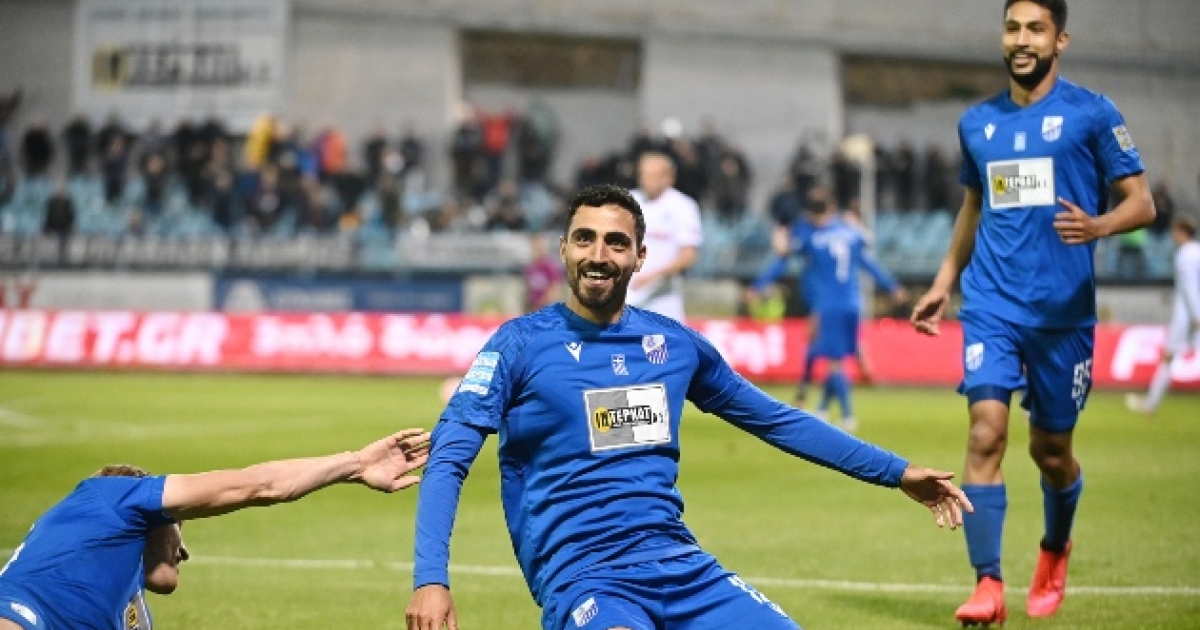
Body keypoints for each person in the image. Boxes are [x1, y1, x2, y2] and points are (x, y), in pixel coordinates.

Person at [405, 184, 973, 630]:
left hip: (681, 567)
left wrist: (895, 471)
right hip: (585, 580)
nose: (598, 255)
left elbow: (776, 420)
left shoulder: (674, 346)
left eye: (615, 243)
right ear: (563, 248)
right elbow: (449, 458)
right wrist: (431, 578)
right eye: (584, 239)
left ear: (640, 256)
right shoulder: (518, 346)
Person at [908, 1, 1156, 624]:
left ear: (1059, 40)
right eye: (1013, 28)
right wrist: (944, 280)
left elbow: (1142, 203)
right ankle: (988, 585)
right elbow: (974, 207)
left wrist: (1099, 225)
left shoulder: (1092, 114)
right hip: (991, 304)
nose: (1022, 40)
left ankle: (1055, 547)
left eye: (1035, 29)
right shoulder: (977, 123)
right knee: (985, 432)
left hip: (1062, 315)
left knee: (1051, 452)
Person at [0, 430, 430, 630]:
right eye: (179, 526)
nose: (184, 550)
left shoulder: (126, 604)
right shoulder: (111, 496)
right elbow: (258, 485)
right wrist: (355, 464)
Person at [753, 186, 908, 431]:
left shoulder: (810, 236)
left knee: (833, 360)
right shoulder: (851, 233)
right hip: (853, 303)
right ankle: (823, 407)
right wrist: (892, 287)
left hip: (828, 305)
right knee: (835, 354)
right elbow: (869, 264)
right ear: (832, 207)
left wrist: (759, 285)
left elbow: (782, 260)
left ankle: (847, 415)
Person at [1126, 215, 1200, 416]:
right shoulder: (1197, 251)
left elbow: (1190, 287)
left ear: (1182, 232)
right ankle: (1150, 403)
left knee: (1169, 357)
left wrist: (1196, 316)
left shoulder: (1185, 254)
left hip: (1187, 316)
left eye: (1175, 232)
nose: (1173, 236)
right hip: (1191, 313)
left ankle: (1150, 404)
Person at [627, 151, 703, 322]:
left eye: (655, 176)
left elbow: (688, 255)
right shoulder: (627, 201)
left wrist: (654, 276)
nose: (648, 181)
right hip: (626, 293)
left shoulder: (683, 206)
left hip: (664, 298)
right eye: (645, 175)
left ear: (669, 177)